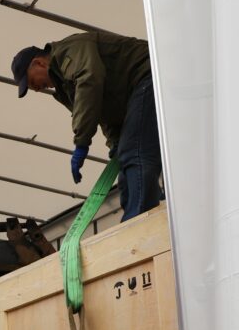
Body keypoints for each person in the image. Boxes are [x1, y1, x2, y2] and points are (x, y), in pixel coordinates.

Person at [11, 31, 162, 221]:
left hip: (148, 73)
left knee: (134, 154)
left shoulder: (70, 50)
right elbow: (104, 114)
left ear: (39, 63)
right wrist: (115, 143)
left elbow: (90, 82)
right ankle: (152, 215)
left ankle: (139, 222)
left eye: (34, 82)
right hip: (134, 93)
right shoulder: (63, 88)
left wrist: (81, 142)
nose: (38, 88)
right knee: (125, 169)